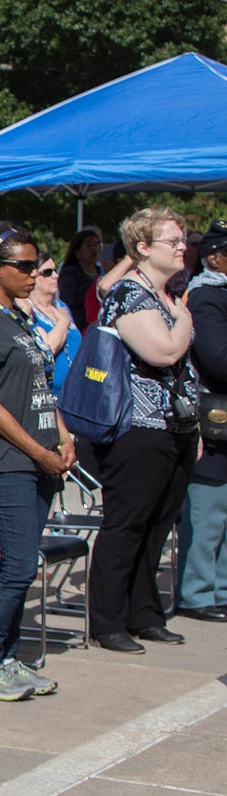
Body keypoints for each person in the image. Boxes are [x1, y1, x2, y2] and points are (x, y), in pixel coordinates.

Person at [0, 228, 75, 700]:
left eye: (35, 266)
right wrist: (40, 451)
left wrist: (63, 438)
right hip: (9, 460)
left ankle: (7, 656)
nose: (32, 274)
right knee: (20, 567)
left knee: (24, 565)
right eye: (23, 266)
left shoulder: (20, 321)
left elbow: (43, 390)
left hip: (41, 458)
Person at [88, 208, 200, 653]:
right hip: (137, 429)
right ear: (142, 249)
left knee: (158, 526)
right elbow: (164, 351)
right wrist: (185, 319)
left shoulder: (164, 294)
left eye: (182, 239)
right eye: (171, 239)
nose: (181, 246)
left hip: (174, 426)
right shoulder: (130, 295)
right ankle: (108, 620)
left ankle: (145, 613)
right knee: (127, 525)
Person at [177, 221, 227, 623]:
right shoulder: (207, 296)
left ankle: (222, 588)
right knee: (208, 511)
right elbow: (217, 357)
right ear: (215, 256)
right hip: (215, 418)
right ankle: (197, 591)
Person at [27, 254, 79, 394]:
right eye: (48, 272)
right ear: (33, 276)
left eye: (55, 271)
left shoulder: (62, 307)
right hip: (51, 394)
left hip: (77, 392)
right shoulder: (28, 311)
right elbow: (48, 348)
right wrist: (63, 322)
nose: (55, 275)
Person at [59, 227, 103, 330]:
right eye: (89, 245)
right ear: (78, 252)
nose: (94, 249)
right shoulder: (69, 273)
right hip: (78, 325)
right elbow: (69, 299)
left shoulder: (100, 271)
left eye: (96, 244)